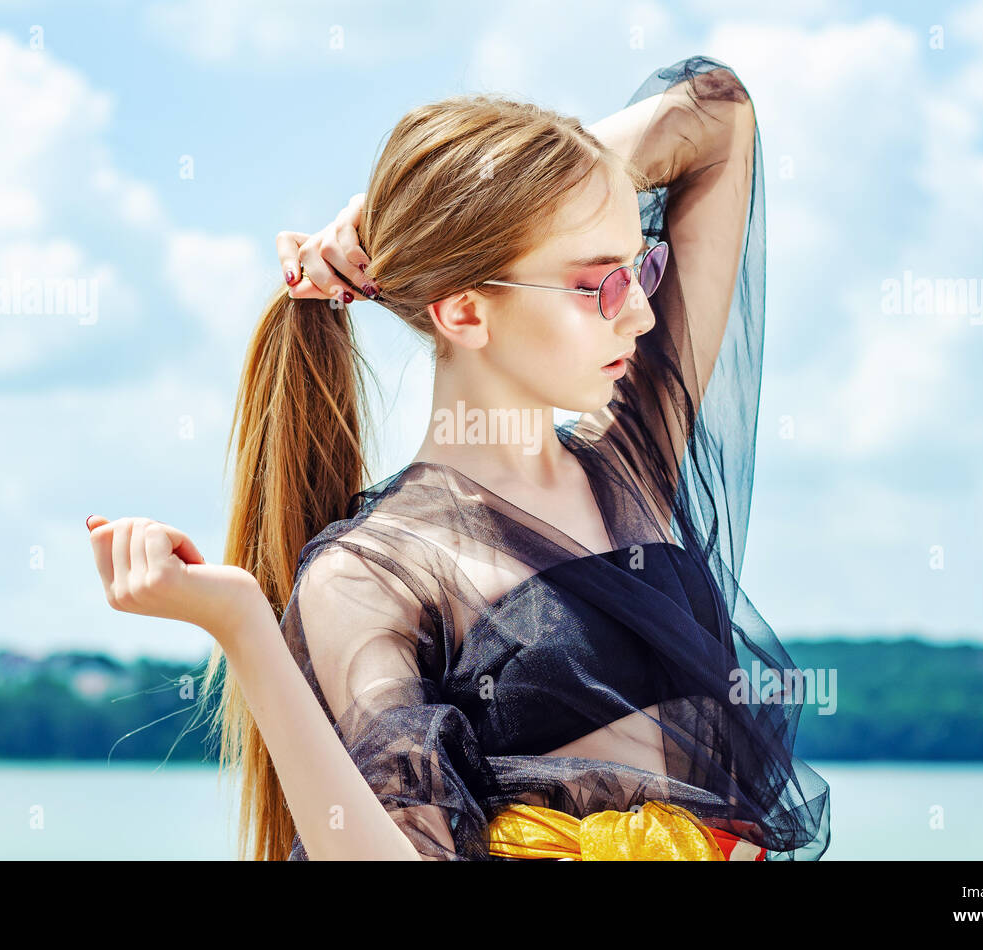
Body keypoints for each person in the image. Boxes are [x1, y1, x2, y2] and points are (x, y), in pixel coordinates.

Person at [87, 54, 830, 861]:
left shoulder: (630, 464)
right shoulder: (372, 574)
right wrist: (245, 630)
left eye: (639, 269)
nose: (643, 315)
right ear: (466, 311)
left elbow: (718, 119)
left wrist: (431, 212)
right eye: (598, 284)